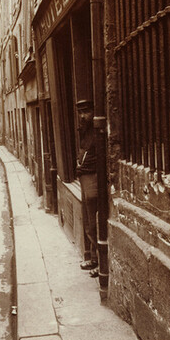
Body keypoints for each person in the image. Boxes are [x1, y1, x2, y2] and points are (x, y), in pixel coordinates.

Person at [76, 99, 99, 278]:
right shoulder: (84, 130)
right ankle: (94, 258)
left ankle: (101, 263)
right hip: (85, 179)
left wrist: (82, 167)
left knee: (94, 223)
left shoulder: (97, 132)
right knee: (89, 223)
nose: (83, 116)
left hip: (92, 179)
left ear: (93, 112)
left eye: (86, 112)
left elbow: (94, 158)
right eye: (80, 112)